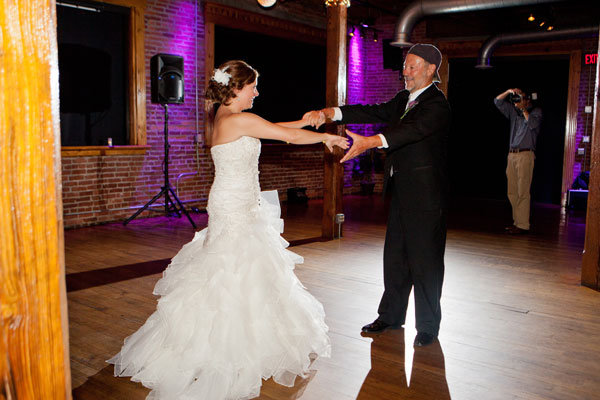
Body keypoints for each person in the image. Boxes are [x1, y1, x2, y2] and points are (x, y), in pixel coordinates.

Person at [108, 60, 348, 400]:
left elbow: (272, 127)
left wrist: (305, 121)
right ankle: (229, 347)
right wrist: (326, 136)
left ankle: (237, 339)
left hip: (233, 201)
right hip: (235, 204)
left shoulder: (223, 116)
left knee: (231, 268)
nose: (257, 92)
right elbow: (287, 136)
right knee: (235, 270)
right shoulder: (240, 119)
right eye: (254, 86)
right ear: (237, 88)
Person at [305, 43, 451, 347]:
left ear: (430, 69)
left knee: (425, 262)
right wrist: (332, 112)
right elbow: (371, 111)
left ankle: (427, 327)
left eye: (413, 67)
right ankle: (390, 317)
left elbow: (409, 132)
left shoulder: (437, 104)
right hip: (400, 193)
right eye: (405, 66)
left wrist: (371, 142)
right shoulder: (402, 99)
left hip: (426, 199)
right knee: (395, 259)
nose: (406, 73)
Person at [494, 88, 542, 234]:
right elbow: (497, 101)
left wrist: (523, 109)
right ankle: (517, 222)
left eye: (521, 99)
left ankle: (523, 225)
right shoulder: (514, 113)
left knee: (523, 191)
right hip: (512, 155)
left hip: (525, 155)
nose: (517, 102)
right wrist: (509, 92)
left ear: (527, 100)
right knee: (512, 192)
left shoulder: (536, 112)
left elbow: (533, 124)